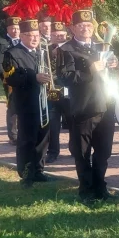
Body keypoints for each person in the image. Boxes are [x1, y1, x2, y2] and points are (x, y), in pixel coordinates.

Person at [58, 0, 117, 202]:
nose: (86, 28)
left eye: (89, 25)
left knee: (104, 151)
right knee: (82, 152)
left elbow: (116, 67)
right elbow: (65, 77)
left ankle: (101, 187)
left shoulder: (101, 46)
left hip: (106, 105)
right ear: (73, 27)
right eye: (81, 25)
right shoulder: (66, 49)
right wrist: (90, 70)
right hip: (83, 107)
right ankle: (86, 190)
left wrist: (115, 64)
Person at [2, 13, 53, 187]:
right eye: (30, 36)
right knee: (26, 139)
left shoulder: (42, 52)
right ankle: (26, 173)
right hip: (25, 104)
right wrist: (34, 77)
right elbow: (11, 78)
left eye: (37, 36)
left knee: (43, 138)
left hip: (43, 102)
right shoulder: (12, 53)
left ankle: (39, 170)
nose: (34, 39)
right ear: (22, 36)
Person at [46, 13, 72, 164]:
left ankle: (75, 149)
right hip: (52, 92)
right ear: (51, 35)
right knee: (53, 124)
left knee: (73, 123)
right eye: (55, 35)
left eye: (61, 35)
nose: (59, 38)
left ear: (66, 35)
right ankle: (53, 152)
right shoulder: (45, 50)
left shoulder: (71, 48)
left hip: (69, 91)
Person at [0, 14, 21, 145]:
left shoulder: (23, 40)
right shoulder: (1, 42)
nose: (15, 31)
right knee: (13, 107)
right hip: (9, 79)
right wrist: (5, 78)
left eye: (17, 28)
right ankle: (13, 136)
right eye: (12, 28)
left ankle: (23, 131)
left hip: (23, 79)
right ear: (8, 29)